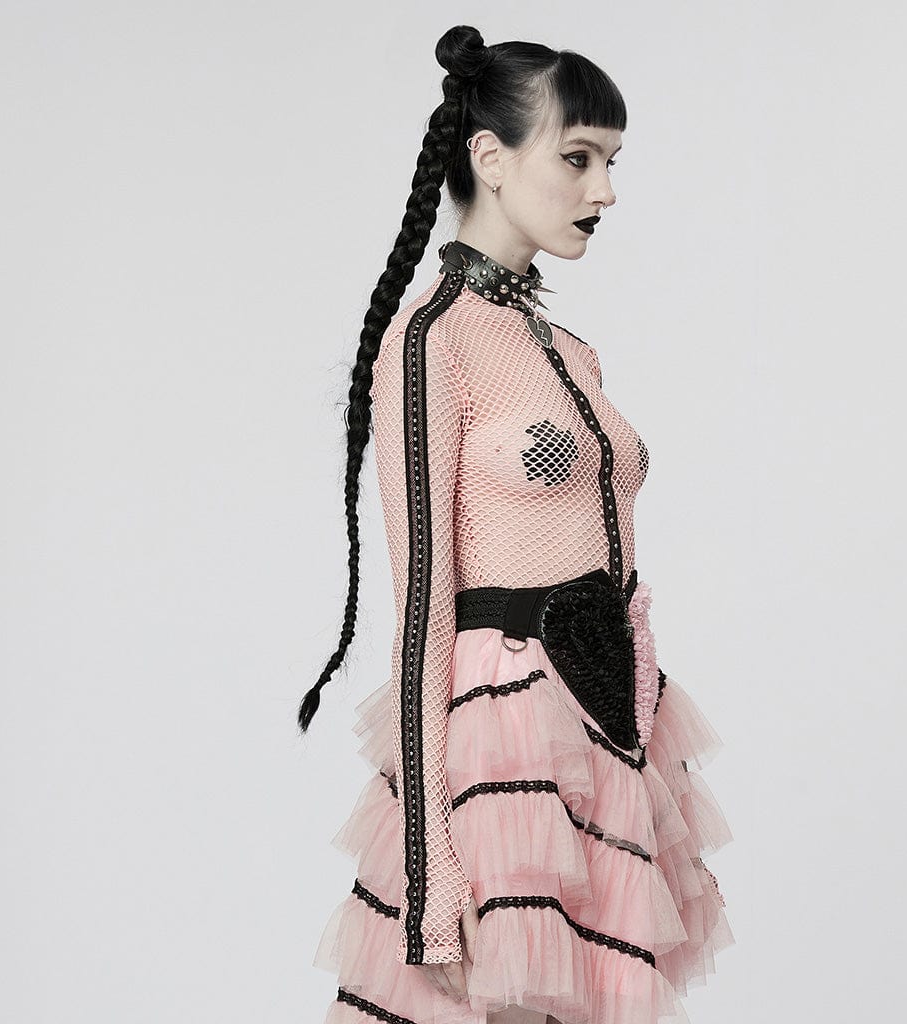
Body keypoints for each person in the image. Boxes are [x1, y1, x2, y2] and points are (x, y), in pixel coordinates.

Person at [298, 24, 734, 1024]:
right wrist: (431, 865)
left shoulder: (569, 348)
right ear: (489, 158)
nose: (605, 190)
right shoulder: (431, 340)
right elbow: (422, 614)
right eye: (577, 158)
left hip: (609, 727)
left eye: (611, 161)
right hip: (498, 743)